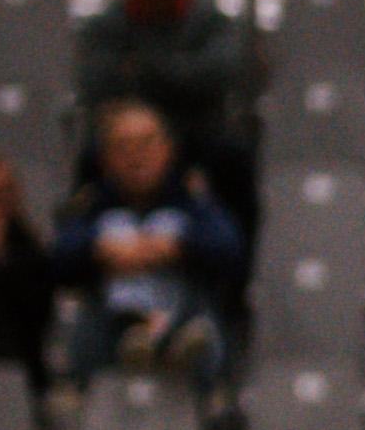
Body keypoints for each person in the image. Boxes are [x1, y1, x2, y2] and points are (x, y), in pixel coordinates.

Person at [74, 0, 260, 198]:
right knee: (92, 158)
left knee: (234, 157)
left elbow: (217, 78)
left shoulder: (212, 22)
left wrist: (141, 68)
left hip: (197, 141)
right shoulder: (105, 26)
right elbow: (97, 86)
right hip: (126, 144)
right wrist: (178, 75)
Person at [52, 98, 243, 386]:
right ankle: (138, 342)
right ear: (105, 158)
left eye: (146, 143)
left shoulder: (191, 202)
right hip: (110, 326)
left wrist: (175, 246)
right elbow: (57, 256)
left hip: (180, 310)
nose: (136, 155)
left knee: (200, 320)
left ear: (167, 149)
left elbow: (229, 248)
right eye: (123, 146)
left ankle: (170, 346)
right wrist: (99, 248)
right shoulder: (93, 206)